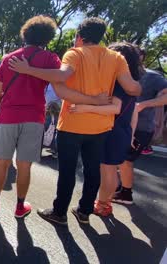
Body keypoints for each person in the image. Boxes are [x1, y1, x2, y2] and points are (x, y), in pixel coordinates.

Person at [9, 17, 141, 225]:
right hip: (100, 126)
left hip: (72, 123)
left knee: (68, 171)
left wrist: (28, 70)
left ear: (79, 36)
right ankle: (84, 211)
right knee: (92, 170)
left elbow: (61, 76)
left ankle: (59, 212)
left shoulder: (74, 54)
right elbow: (133, 88)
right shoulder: (116, 58)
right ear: (101, 36)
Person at [0, 15, 111, 219]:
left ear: (25, 33)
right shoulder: (51, 59)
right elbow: (60, 83)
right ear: (48, 36)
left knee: (2, 162)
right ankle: (19, 207)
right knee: (25, 165)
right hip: (34, 117)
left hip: (8, 115)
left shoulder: (9, 58)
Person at [68, 42, 143, 216]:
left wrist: (86, 108)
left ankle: (101, 205)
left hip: (112, 129)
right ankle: (105, 203)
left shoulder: (119, 81)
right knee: (111, 169)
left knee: (107, 170)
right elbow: (134, 112)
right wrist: (130, 135)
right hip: (123, 131)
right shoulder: (132, 82)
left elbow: (115, 109)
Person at [112, 57, 167, 205]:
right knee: (114, 160)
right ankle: (116, 188)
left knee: (125, 161)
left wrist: (143, 105)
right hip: (118, 123)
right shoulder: (118, 73)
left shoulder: (153, 76)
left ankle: (125, 193)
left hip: (141, 128)